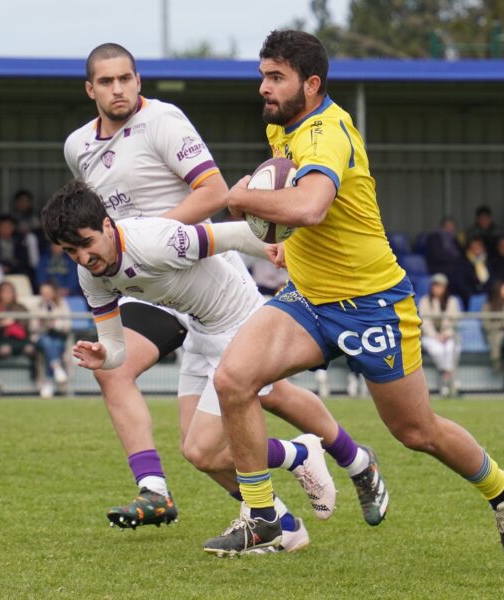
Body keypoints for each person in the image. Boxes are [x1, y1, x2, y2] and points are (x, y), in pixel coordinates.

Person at [206, 31, 504, 565]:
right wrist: (285, 241)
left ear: (311, 84)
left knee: (416, 431)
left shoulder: (327, 133)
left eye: (277, 78)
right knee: (233, 380)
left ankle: (503, 489)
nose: (264, 87)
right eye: (263, 76)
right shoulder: (281, 126)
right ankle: (262, 516)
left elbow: (310, 206)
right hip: (309, 300)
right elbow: (305, 211)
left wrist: (243, 196)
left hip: (372, 305)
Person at [62, 43, 371, 530]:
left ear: (138, 81)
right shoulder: (77, 147)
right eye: (106, 81)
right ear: (90, 89)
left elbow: (214, 192)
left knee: (265, 397)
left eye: (125, 78)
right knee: (122, 378)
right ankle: (161, 491)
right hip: (149, 282)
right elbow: (91, 223)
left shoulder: (163, 122)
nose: (117, 89)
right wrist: (129, 255)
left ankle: (350, 458)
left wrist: (151, 238)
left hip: (193, 267)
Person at [42, 181, 386, 548]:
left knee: (212, 444)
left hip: (241, 323)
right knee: (200, 454)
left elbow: (236, 235)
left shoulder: (155, 241)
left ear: (107, 226)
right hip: (200, 329)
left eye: (87, 244)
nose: (82, 257)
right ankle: (287, 527)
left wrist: (287, 252)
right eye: (71, 251)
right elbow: (114, 345)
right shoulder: (90, 274)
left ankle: (300, 458)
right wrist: (105, 356)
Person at [417, 273, 461, 396]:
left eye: (440, 286)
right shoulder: (425, 301)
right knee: (438, 350)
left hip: (448, 335)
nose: (437, 288)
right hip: (430, 336)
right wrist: (436, 336)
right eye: (435, 285)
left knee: (453, 348)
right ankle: (449, 377)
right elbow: (424, 323)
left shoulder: (452, 301)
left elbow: (453, 321)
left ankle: (445, 378)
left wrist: (446, 334)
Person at [30, 281, 72, 398]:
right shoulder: (36, 305)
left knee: (55, 344)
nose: (46, 295)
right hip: (40, 337)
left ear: (54, 293)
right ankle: (56, 367)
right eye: (43, 293)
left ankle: (48, 382)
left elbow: (67, 325)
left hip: (58, 336)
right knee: (47, 341)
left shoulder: (62, 304)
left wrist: (55, 324)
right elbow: (32, 326)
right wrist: (42, 323)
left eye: (48, 292)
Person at [0, 281, 38, 382]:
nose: (7, 295)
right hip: (2, 339)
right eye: (5, 292)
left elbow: (26, 326)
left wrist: (14, 321)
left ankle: (35, 380)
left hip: (21, 340)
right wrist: (1, 324)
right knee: (2, 350)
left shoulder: (21, 307)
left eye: (10, 292)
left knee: (31, 349)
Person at [0, 214, 37, 285]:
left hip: (15, 267)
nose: (5, 229)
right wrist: (0, 266)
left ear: (13, 227)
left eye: (8, 226)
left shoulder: (20, 240)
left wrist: (10, 268)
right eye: (3, 226)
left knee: (27, 273)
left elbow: (23, 259)